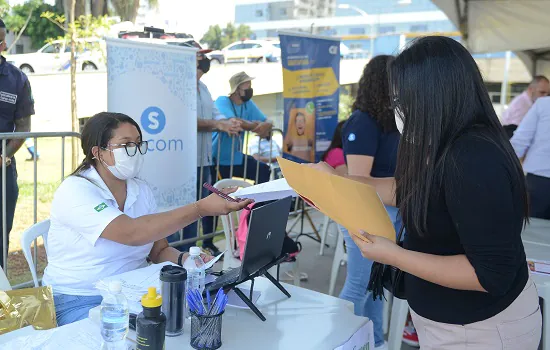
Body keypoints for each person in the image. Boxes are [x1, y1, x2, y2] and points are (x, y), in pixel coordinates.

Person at [313, 36, 541, 349]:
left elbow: (489, 273)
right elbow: (405, 189)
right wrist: (334, 182)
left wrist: (394, 255)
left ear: (434, 97)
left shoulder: (473, 158)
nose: (397, 111)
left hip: (480, 330)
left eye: (402, 101)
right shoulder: (442, 144)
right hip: (449, 322)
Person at [42, 112, 252, 326]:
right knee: (140, 336)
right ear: (98, 152)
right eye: (126, 144)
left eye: (138, 143)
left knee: (191, 320)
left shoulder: (139, 189)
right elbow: (131, 233)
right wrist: (200, 208)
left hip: (133, 293)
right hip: (77, 298)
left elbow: (158, 250)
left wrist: (187, 260)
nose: (134, 150)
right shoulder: (76, 190)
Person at [338, 55, 404, 350]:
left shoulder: (392, 121)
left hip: (391, 212)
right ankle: (333, 340)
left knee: (376, 287)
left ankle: (376, 342)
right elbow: (359, 181)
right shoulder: (362, 122)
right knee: (360, 284)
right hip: (367, 214)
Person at [167, 41, 242, 256]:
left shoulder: (204, 87)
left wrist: (228, 122)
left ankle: (191, 250)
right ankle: (175, 254)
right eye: (200, 56)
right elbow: (184, 119)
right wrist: (217, 125)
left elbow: (215, 114)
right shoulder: (176, 86)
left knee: (197, 209)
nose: (204, 60)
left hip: (203, 160)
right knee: (181, 211)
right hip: (181, 163)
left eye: (204, 56)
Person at [0, 19, 34, 269]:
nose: (2, 43)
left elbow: (23, 129)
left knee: (1, 233)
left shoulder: (17, 79)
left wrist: (5, 154)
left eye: (2, 38)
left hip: (3, 169)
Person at [213, 71, 272, 184]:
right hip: (219, 159)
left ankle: (256, 201)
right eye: (247, 87)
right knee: (220, 193)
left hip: (236, 157)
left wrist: (266, 125)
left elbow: (267, 121)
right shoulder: (223, 101)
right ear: (236, 90)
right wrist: (255, 126)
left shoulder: (248, 104)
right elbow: (234, 121)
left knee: (263, 170)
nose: (250, 89)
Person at [511, 96, 550, 219]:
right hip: (539, 179)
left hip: (539, 181)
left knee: (531, 233)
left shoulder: (543, 104)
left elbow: (520, 140)